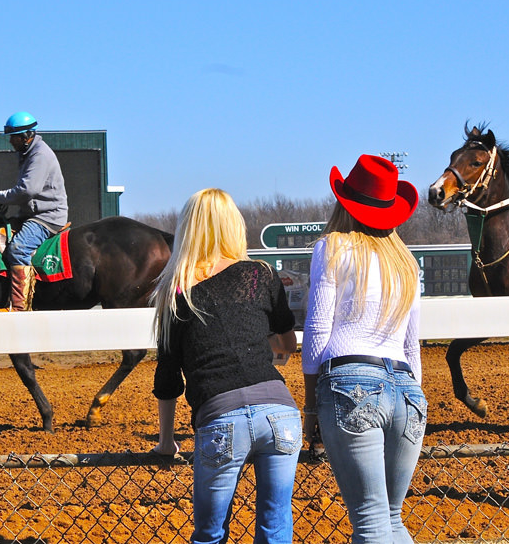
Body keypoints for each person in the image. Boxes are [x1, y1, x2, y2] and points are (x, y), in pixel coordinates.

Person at [151, 188, 302, 544]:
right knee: (275, 526)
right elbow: (286, 343)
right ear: (234, 225)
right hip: (280, 413)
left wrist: (167, 441)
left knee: (209, 534)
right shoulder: (260, 275)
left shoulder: (178, 290)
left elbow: (169, 376)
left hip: (220, 417)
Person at [301, 154, 426, 544]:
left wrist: (310, 405)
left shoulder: (332, 247)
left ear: (344, 203)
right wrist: (413, 397)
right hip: (407, 390)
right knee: (392, 518)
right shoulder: (406, 262)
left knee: (370, 522)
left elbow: (318, 330)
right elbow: (412, 344)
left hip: (351, 380)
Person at [0, 111, 69, 312]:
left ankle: (19, 308)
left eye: (13, 138)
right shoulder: (27, 152)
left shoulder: (40, 155)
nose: (10, 142)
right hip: (31, 214)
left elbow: (27, 190)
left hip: (47, 217)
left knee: (18, 248)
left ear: (26, 136)